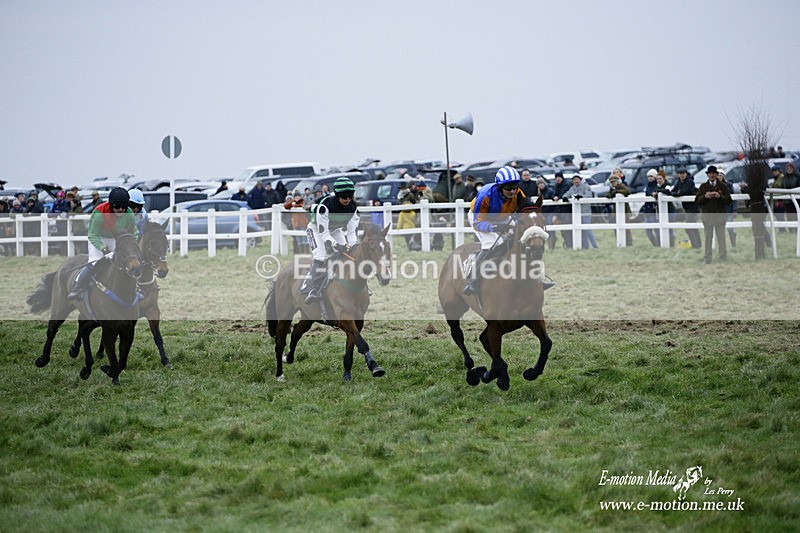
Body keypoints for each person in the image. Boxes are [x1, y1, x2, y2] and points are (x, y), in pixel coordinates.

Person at [464, 166, 527, 296]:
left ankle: (534, 276)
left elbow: (525, 211)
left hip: (502, 216)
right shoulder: (485, 195)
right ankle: (473, 281)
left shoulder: (518, 193)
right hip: (481, 218)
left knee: (522, 239)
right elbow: (478, 223)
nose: (512, 191)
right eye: (508, 187)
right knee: (492, 243)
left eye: (514, 186)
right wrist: (495, 228)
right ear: (499, 186)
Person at [67, 187, 137, 301]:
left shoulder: (129, 213)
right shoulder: (100, 213)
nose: (121, 210)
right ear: (111, 205)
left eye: (123, 207)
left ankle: (135, 288)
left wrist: (132, 245)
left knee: (127, 260)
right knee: (95, 261)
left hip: (115, 238)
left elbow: (134, 232)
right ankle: (77, 288)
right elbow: (92, 235)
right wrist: (103, 249)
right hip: (98, 238)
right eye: (117, 207)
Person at [301, 177, 360, 304]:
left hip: (335, 230)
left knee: (349, 254)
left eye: (350, 196)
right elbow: (324, 234)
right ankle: (310, 287)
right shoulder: (325, 206)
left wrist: (352, 245)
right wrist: (336, 245)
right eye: (345, 196)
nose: (348, 199)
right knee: (320, 256)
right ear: (338, 195)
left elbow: (352, 233)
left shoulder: (353, 208)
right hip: (316, 230)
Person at [695, 166, 732, 263]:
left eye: (713, 173)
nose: (712, 175)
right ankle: (707, 258)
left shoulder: (723, 186)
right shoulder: (703, 187)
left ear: (716, 174)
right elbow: (697, 201)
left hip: (720, 216)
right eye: (710, 173)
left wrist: (720, 196)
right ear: (707, 175)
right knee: (708, 239)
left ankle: (722, 258)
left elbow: (729, 200)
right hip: (707, 217)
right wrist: (705, 196)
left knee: (721, 239)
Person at [563, 174, 598, 249]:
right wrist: (565, 197)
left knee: (588, 229)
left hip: (585, 211)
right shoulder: (572, 188)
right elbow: (567, 194)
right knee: (581, 231)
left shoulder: (585, 186)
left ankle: (595, 246)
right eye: (574, 180)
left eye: (577, 179)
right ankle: (585, 247)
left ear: (580, 180)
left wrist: (581, 197)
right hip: (577, 214)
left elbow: (589, 196)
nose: (576, 181)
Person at [670, 167, 701, 249]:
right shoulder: (679, 182)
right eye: (680, 173)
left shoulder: (690, 182)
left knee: (689, 227)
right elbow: (674, 191)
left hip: (693, 208)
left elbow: (683, 192)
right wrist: (676, 193)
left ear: (686, 173)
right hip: (687, 208)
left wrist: (677, 193)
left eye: (683, 173)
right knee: (693, 226)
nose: (682, 175)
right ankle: (697, 244)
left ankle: (696, 245)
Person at [607, 171, 634, 246]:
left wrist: (616, 192)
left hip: (625, 210)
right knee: (616, 227)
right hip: (615, 211)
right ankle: (620, 241)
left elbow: (628, 191)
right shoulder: (612, 188)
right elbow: (608, 194)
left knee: (626, 227)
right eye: (611, 182)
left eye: (614, 182)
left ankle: (629, 242)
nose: (612, 183)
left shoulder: (621, 185)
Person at [551, 171, 573, 249]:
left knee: (567, 228)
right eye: (556, 177)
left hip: (566, 210)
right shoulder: (557, 185)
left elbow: (564, 193)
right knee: (563, 229)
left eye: (559, 177)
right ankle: (568, 244)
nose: (557, 179)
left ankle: (570, 245)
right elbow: (555, 193)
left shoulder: (566, 184)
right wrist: (554, 197)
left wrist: (558, 197)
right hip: (560, 211)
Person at [654, 172, 675, 246]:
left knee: (670, 228)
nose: (659, 180)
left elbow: (668, 192)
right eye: (657, 179)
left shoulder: (667, 185)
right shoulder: (657, 186)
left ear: (664, 178)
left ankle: (671, 244)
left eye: (660, 179)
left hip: (670, 210)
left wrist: (658, 192)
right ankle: (664, 243)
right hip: (661, 211)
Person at [537, 176, 558, 250]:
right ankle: (543, 246)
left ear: (544, 183)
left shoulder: (550, 191)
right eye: (539, 184)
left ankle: (551, 247)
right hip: (542, 213)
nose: (541, 185)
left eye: (542, 183)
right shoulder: (538, 193)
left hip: (550, 212)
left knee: (550, 227)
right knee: (542, 229)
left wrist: (554, 198)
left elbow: (553, 197)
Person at [718, 168, 737, 248]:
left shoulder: (729, 185)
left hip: (728, 210)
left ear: (723, 176)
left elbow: (734, 198)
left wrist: (735, 210)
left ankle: (733, 244)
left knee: (730, 229)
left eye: (720, 175)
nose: (719, 176)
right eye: (718, 175)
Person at [640, 169, 659, 246]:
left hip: (654, 210)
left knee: (656, 229)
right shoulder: (648, 185)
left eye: (651, 176)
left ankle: (660, 243)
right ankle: (655, 244)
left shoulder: (657, 185)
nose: (650, 178)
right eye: (649, 176)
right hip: (647, 210)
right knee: (647, 230)